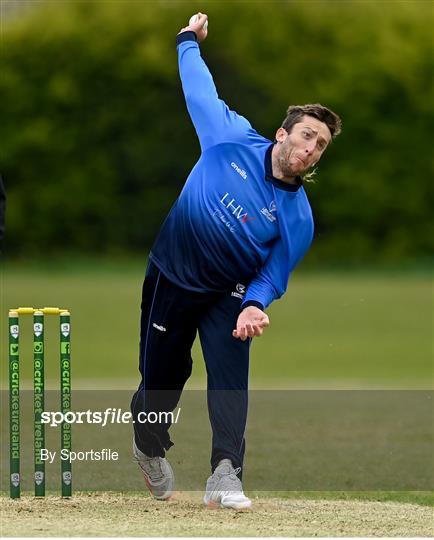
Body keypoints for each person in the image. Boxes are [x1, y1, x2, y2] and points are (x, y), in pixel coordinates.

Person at [130, 12, 341, 509]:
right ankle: (147, 444)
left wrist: (255, 304)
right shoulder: (230, 139)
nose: (310, 148)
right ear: (282, 133)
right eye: (306, 135)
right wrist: (187, 40)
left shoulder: (299, 218)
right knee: (162, 376)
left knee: (230, 376)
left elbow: (273, 273)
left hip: (229, 294)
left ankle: (226, 474)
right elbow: (198, 89)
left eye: (320, 145)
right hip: (172, 274)